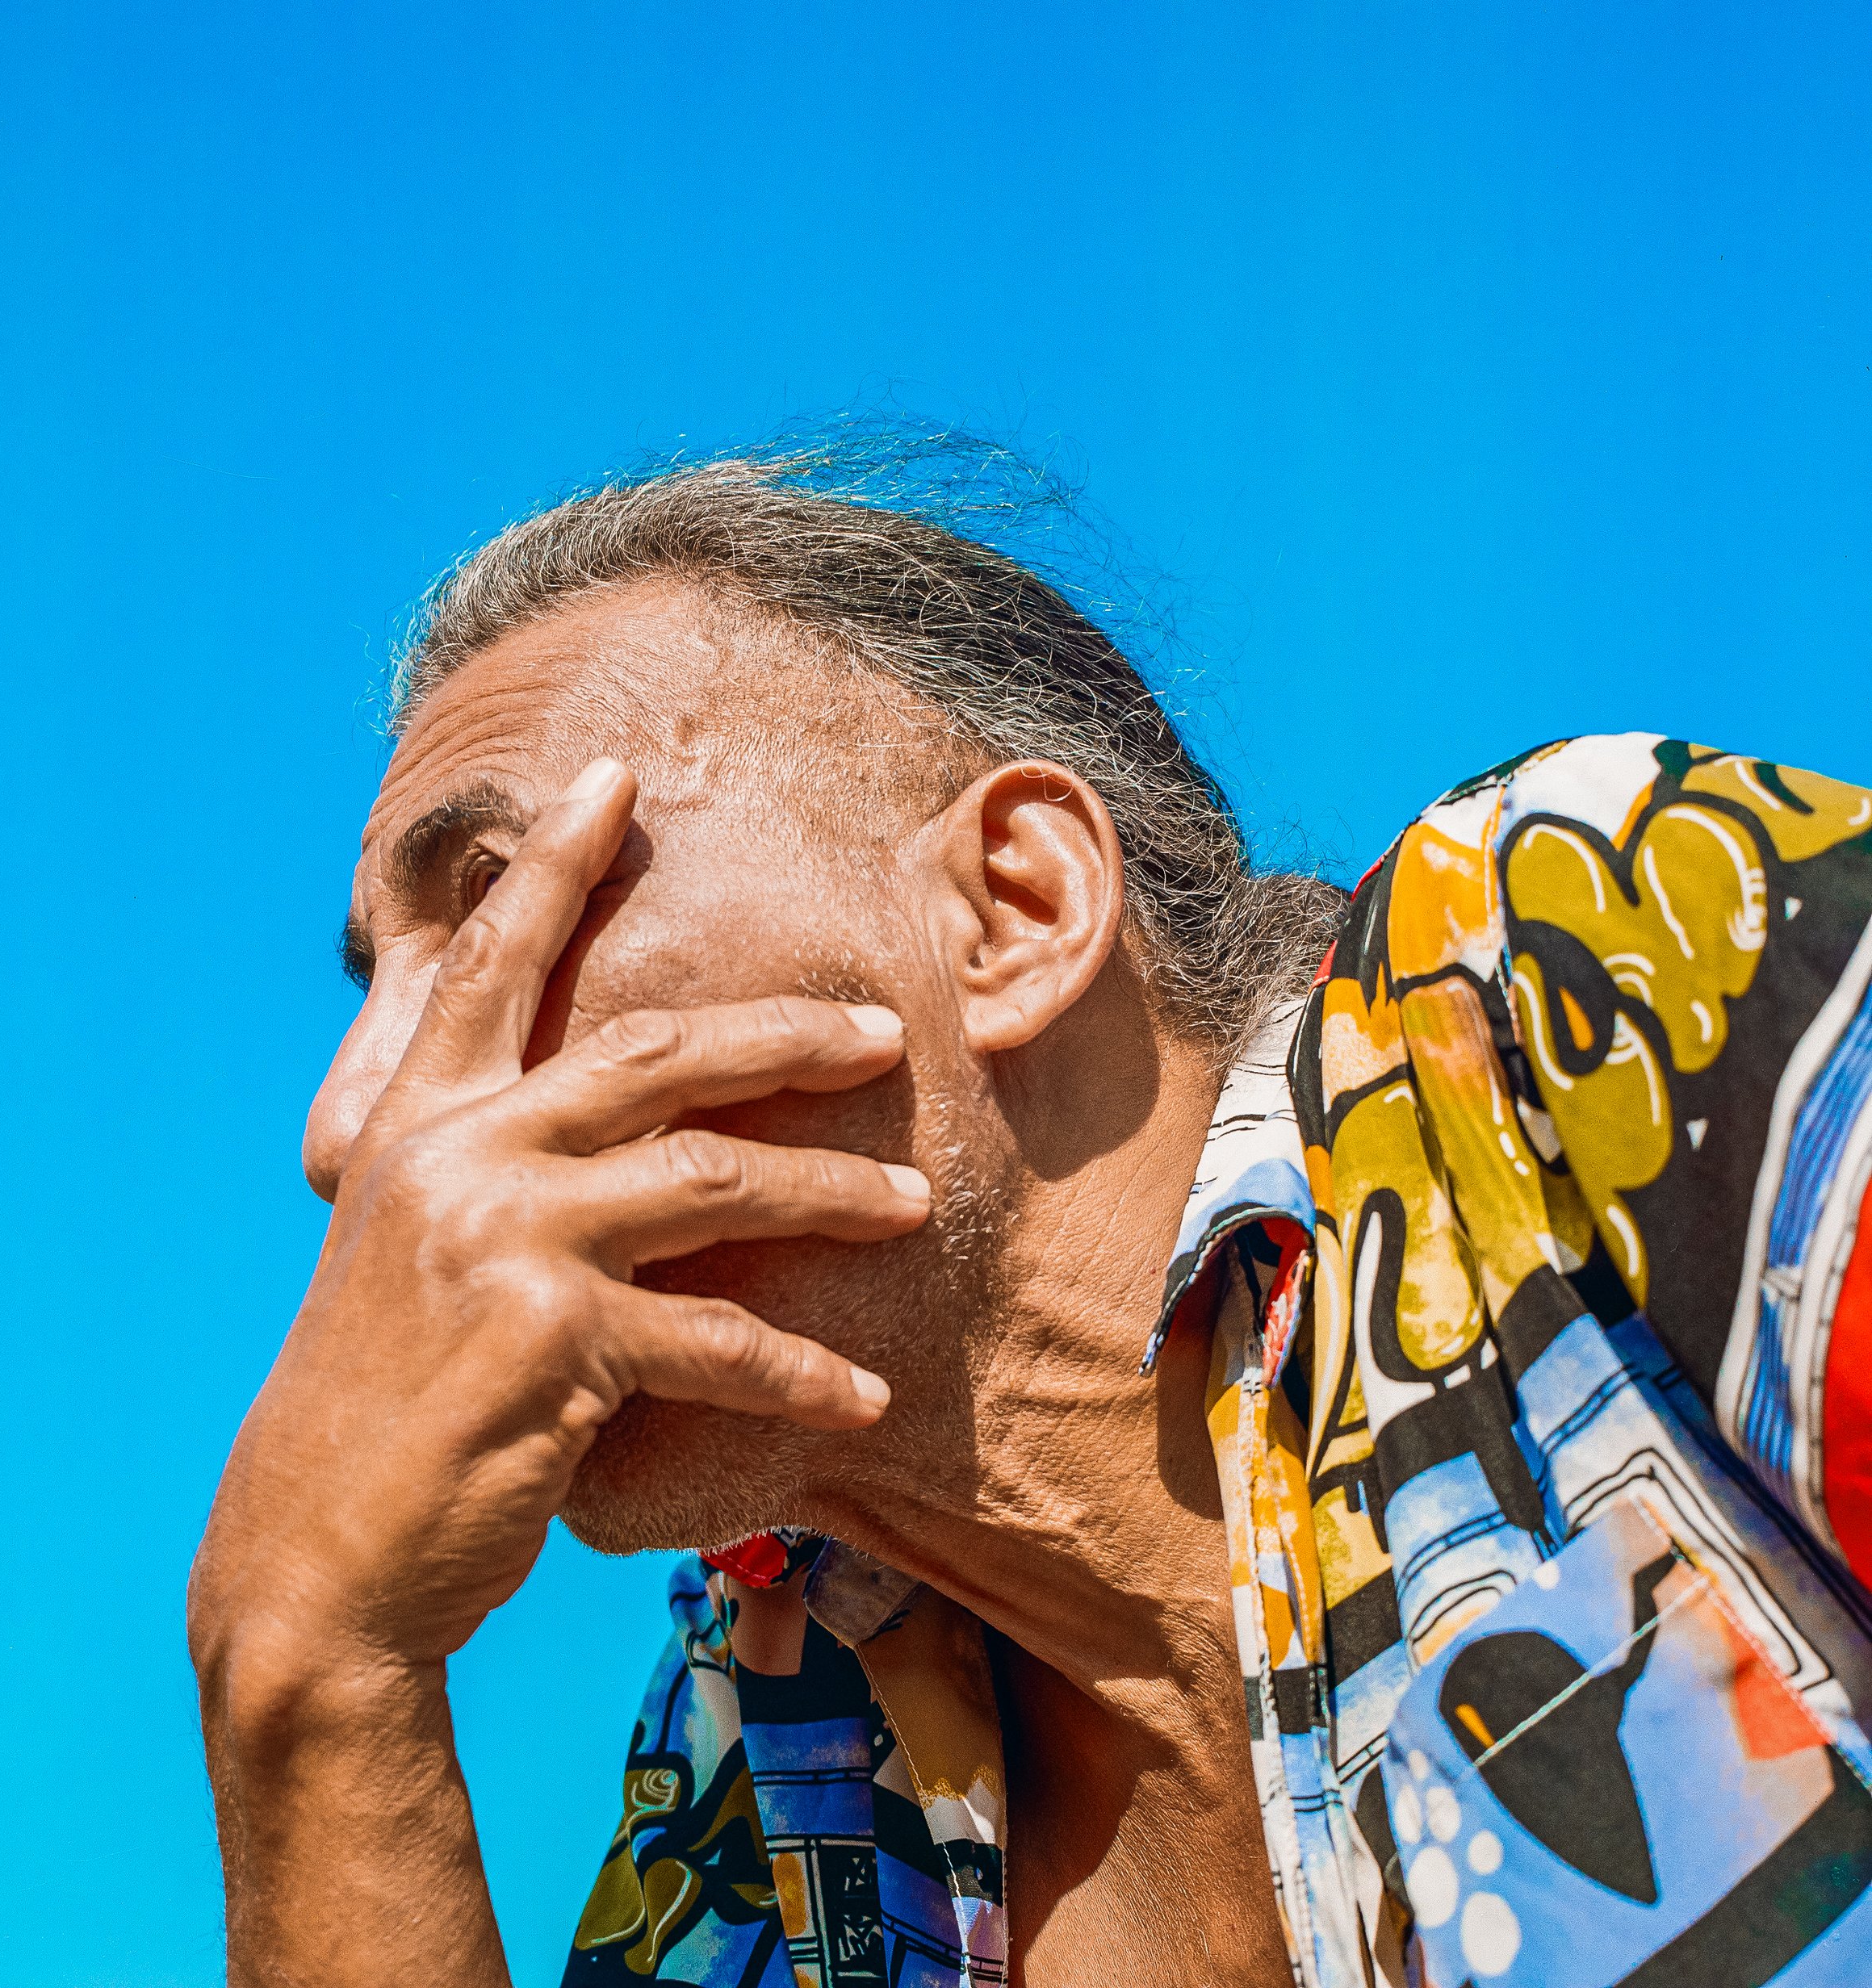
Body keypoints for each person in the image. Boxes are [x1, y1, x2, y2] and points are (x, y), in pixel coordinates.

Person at [190, 436, 1872, 1988]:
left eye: (491, 899)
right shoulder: (769, 1720)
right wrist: (307, 1678)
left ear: (1011, 910)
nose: (350, 1130)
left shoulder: (1540, 988)